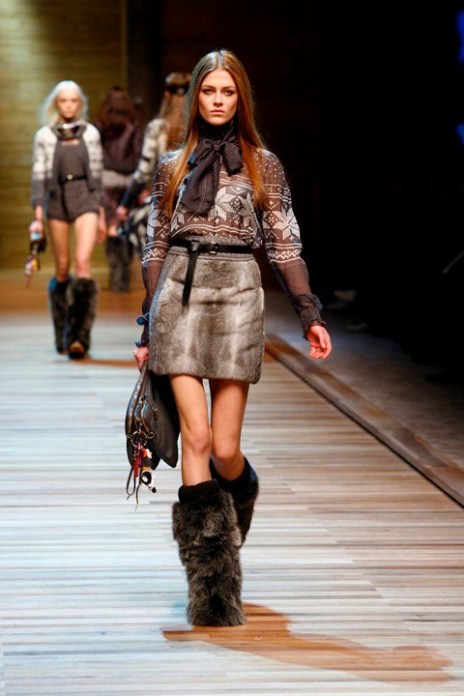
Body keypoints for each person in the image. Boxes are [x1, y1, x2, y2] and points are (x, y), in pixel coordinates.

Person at [133, 50, 332, 627]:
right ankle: (213, 594)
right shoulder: (171, 165)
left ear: (240, 98)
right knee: (194, 439)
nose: (217, 100)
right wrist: (148, 321)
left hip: (239, 296)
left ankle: (239, 493)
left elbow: (284, 243)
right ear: (195, 97)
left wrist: (309, 312)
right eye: (208, 91)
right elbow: (155, 244)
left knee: (224, 449)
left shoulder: (263, 164)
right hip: (179, 294)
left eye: (227, 91)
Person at [30, 80, 106, 359]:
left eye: (74, 101)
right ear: (56, 104)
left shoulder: (91, 133)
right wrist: (37, 218)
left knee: (82, 263)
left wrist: (101, 214)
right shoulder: (44, 136)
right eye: (64, 101)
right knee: (62, 268)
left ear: (80, 104)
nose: (69, 106)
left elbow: (97, 174)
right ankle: (62, 331)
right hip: (57, 197)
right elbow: (39, 176)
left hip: (86, 195)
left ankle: (79, 337)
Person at [115, 71, 191, 253]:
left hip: (165, 203)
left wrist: (124, 204)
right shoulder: (197, 127)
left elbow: (144, 171)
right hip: (196, 202)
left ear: (166, 94)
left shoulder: (157, 128)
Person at [95, 86, 143, 292]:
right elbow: (138, 158)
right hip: (128, 183)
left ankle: (117, 278)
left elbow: (97, 157)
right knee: (124, 229)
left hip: (107, 183)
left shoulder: (100, 127)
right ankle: (121, 278)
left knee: (113, 229)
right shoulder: (132, 127)